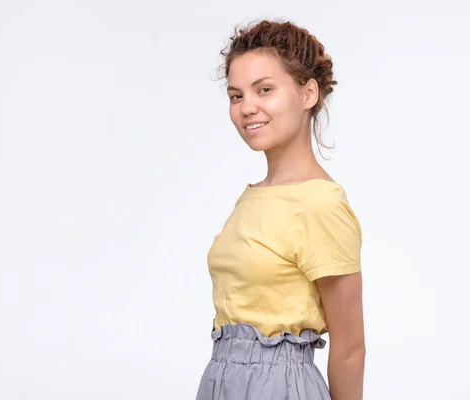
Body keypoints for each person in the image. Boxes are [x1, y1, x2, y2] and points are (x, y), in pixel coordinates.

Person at [196, 19, 365, 400]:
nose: (247, 107)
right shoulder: (253, 198)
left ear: (308, 94)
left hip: (281, 388)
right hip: (220, 382)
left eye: (265, 90)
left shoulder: (320, 203)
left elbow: (351, 348)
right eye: (236, 95)